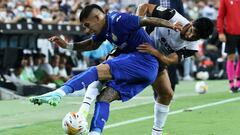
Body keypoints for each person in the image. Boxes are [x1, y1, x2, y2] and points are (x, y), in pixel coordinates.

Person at [60, 4, 213, 135]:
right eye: (192, 30)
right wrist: (136, 27)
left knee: (167, 94)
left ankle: (156, 132)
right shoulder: (173, 16)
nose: (191, 36)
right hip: (134, 47)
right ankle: (82, 111)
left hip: (155, 60)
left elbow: (169, 60)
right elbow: (144, 7)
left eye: (196, 37)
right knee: (102, 73)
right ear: (191, 22)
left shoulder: (191, 47)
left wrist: (154, 52)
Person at [29, 4, 181, 135]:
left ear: (97, 18)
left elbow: (146, 20)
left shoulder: (118, 20)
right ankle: (95, 132)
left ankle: (58, 93)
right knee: (104, 98)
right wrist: (67, 46)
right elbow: (91, 45)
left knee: (96, 71)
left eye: (87, 25)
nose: (87, 30)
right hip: (144, 72)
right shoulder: (103, 30)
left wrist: (171, 25)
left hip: (143, 60)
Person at [217, 0, 240, 92]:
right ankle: (231, 84)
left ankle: (238, 83)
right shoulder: (225, 0)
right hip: (230, 33)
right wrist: (220, 32)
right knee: (231, 57)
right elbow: (220, 16)